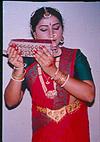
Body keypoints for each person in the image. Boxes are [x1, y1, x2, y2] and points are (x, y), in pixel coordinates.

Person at [4, 7, 95, 142]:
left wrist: (52, 70)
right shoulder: (26, 61)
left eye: (56, 28)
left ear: (62, 30)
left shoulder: (75, 56)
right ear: (34, 34)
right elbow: (10, 102)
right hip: (43, 132)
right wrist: (18, 69)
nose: (52, 34)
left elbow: (89, 96)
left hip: (75, 131)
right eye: (44, 30)